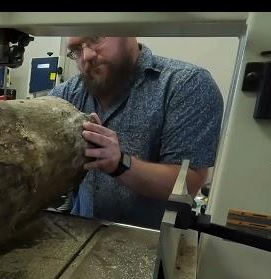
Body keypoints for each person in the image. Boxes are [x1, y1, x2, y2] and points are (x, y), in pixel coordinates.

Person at [49, 37, 223, 229]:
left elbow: (188, 183)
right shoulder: (68, 93)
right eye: (76, 50)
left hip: (148, 243)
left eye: (96, 38)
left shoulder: (186, 85)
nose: (87, 55)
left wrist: (120, 163)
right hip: (78, 232)